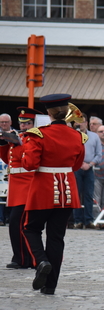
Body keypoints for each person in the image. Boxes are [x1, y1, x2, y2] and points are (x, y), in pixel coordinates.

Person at [21, 94, 86, 295]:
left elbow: (30, 164)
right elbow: (76, 165)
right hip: (67, 191)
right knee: (56, 238)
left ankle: (41, 261)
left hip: (43, 189)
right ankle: (50, 286)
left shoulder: (38, 134)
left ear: (48, 113)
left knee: (30, 228)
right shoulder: (77, 136)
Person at [0, 107, 41, 269]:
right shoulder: (20, 137)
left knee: (20, 224)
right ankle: (21, 257)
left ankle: (25, 258)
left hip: (28, 184)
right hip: (17, 185)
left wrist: (19, 143)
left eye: (28, 123)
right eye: (22, 123)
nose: (24, 126)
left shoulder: (33, 139)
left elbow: (30, 159)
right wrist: (4, 144)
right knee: (16, 223)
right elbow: (8, 159)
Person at [73, 115, 102, 229]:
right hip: (77, 167)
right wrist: (79, 164)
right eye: (78, 122)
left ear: (86, 123)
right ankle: (77, 221)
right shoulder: (73, 135)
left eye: (82, 122)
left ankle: (88, 220)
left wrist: (90, 164)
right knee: (77, 195)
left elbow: (99, 154)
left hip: (89, 167)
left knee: (89, 195)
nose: (80, 124)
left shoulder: (94, 136)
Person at [0, 113, 13, 226]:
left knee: (11, 193)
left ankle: (10, 217)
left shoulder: (16, 134)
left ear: (10, 123)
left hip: (11, 168)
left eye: (6, 122)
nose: (4, 124)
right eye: (2, 122)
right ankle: (1, 218)